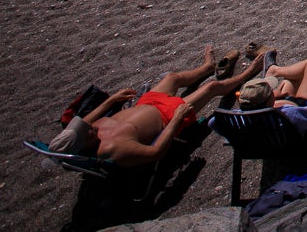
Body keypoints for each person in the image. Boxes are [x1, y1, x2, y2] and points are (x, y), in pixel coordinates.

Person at [47, 46, 262, 167]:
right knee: (211, 88)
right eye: (86, 131)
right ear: (84, 145)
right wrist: (177, 118)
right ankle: (249, 72)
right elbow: (155, 153)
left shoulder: (88, 131)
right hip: (167, 116)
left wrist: (111, 101)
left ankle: (207, 67)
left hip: (148, 103)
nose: (88, 126)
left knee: (172, 78)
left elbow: (89, 118)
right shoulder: (111, 149)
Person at [238, 55, 307, 135]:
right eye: (271, 92)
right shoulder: (287, 114)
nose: (273, 91)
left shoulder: (239, 118)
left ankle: (274, 70)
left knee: (288, 82)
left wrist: (273, 97)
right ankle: (274, 70)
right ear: (268, 103)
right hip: (295, 131)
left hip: (272, 140)